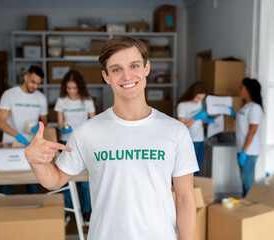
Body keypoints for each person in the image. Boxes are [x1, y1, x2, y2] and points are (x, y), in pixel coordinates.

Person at [25, 36, 199, 240]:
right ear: (106, 76)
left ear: (146, 68)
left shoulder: (175, 131)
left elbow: (185, 199)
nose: (127, 76)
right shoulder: (86, 132)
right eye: (116, 69)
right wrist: (35, 161)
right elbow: (55, 180)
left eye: (134, 65)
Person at [0, 65, 48, 194]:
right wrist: (17, 135)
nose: (35, 86)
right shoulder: (9, 95)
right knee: (7, 181)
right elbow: (0, 122)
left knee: (32, 180)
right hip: (11, 144)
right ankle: (2, 211)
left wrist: (39, 127)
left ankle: (33, 211)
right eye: (33, 82)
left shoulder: (41, 98)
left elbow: (44, 120)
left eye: (38, 84)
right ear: (26, 77)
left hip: (32, 145)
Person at [54, 70, 95, 225]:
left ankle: (87, 212)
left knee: (85, 181)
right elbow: (59, 123)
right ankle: (65, 212)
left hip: (84, 143)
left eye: (74, 88)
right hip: (66, 143)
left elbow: (93, 122)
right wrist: (62, 128)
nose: (71, 91)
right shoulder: (61, 100)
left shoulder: (87, 100)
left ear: (80, 87)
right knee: (64, 179)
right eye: (68, 88)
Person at [176, 82, 215, 176]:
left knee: (198, 168)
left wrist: (207, 121)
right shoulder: (182, 105)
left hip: (200, 139)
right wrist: (195, 118)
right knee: (190, 170)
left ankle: (195, 189)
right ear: (192, 94)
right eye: (198, 98)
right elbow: (181, 127)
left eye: (202, 98)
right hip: (190, 140)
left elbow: (200, 121)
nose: (199, 100)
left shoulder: (200, 103)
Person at [235, 78, 263, 196]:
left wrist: (244, 151)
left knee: (247, 180)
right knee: (244, 179)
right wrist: (233, 115)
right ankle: (245, 205)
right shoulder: (245, 106)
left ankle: (251, 207)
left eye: (242, 88)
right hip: (242, 148)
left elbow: (252, 131)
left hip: (249, 151)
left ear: (249, 90)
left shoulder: (255, 108)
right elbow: (243, 125)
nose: (239, 90)